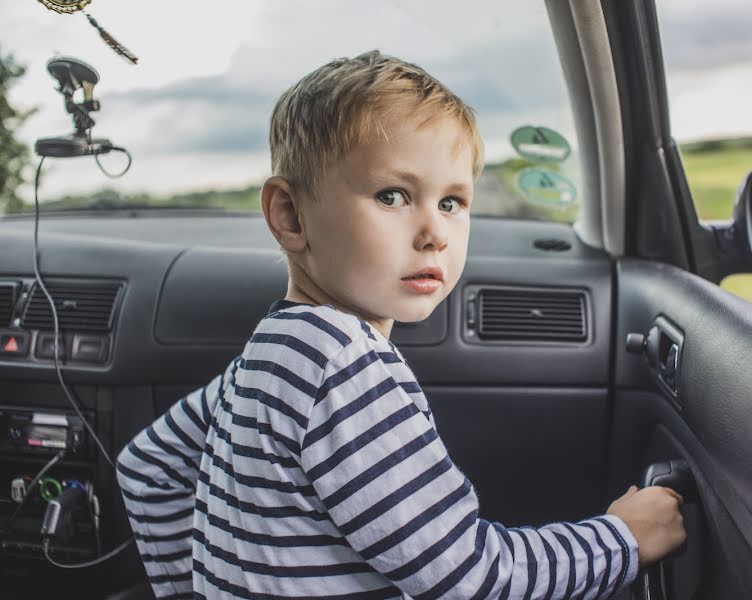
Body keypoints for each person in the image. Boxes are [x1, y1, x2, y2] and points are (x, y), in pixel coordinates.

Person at [115, 50, 686, 599]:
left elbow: (147, 468)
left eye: (453, 202)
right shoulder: (344, 365)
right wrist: (624, 539)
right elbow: (469, 579)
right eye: (393, 195)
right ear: (290, 216)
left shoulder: (272, 353)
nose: (434, 232)